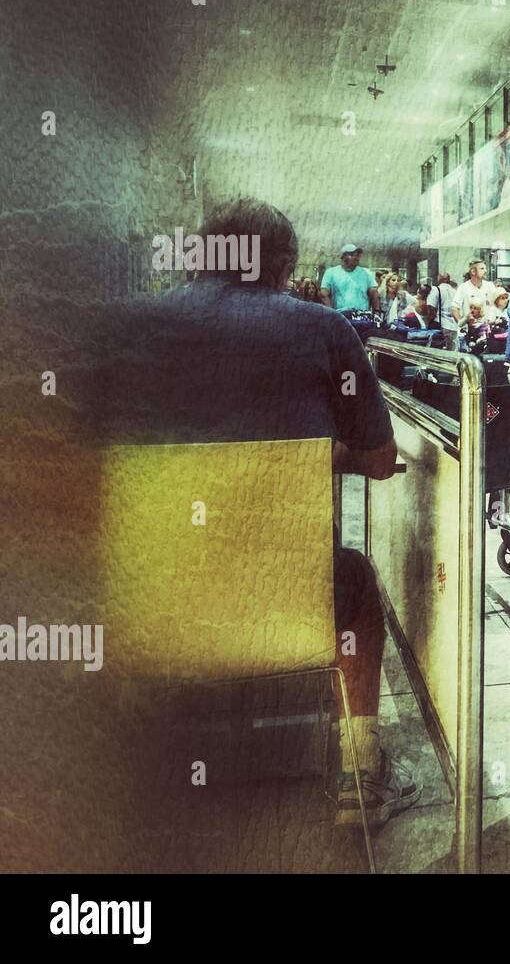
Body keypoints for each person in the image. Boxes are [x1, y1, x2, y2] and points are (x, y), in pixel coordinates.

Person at [102, 198, 419, 826]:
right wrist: (320, 456)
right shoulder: (325, 330)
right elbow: (381, 460)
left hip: (139, 604)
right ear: (285, 266)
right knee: (353, 579)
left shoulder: (125, 326)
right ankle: (359, 777)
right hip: (288, 600)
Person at [321, 244, 378, 314]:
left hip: (362, 317)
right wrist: (331, 314)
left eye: (357, 255)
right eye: (352, 255)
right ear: (343, 257)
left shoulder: (367, 273)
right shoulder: (331, 272)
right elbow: (324, 295)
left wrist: (376, 314)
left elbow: (374, 296)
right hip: (340, 316)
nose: (356, 257)